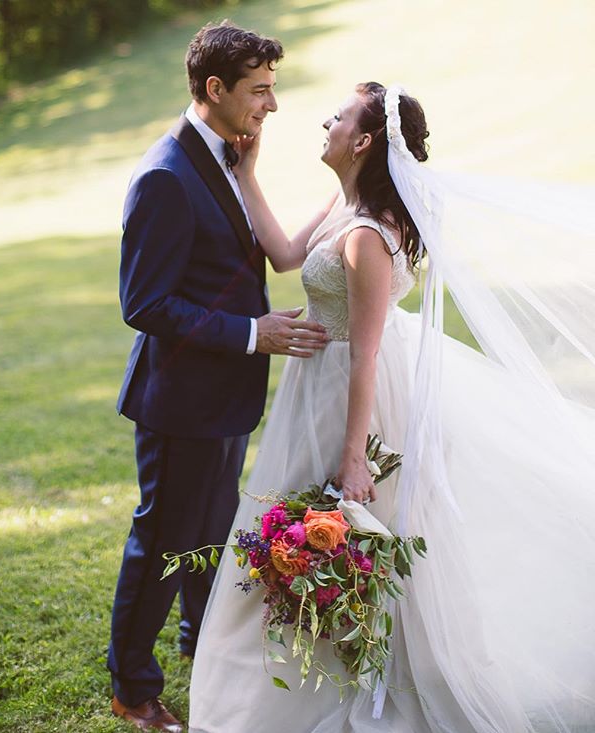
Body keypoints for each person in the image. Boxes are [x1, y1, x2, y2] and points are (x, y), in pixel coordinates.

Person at [187, 82, 595, 732]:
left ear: (365, 140)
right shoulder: (344, 204)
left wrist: (355, 456)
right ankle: (311, 681)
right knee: (313, 536)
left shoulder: (369, 235)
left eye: (339, 116)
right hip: (314, 388)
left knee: (353, 529)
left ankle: (374, 681)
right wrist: (250, 173)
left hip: (358, 396)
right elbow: (287, 254)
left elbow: (366, 353)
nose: (325, 121)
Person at [108, 22, 331, 732]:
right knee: (163, 543)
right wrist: (251, 333)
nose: (272, 104)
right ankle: (134, 689)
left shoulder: (227, 160)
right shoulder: (165, 176)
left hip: (220, 399)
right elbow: (143, 303)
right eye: (259, 90)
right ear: (215, 89)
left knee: (207, 530)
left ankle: (200, 644)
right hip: (180, 402)